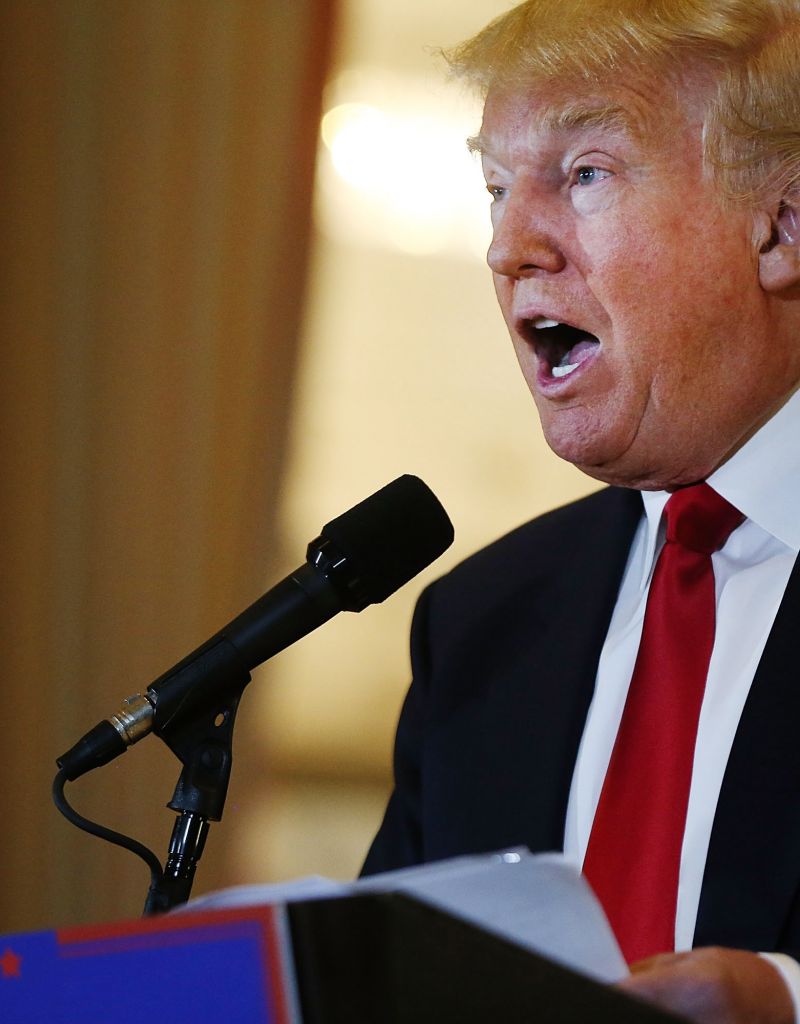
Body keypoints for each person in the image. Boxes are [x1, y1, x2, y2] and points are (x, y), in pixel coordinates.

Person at [362, 1, 800, 1022]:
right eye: (495, 190)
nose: (507, 248)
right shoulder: (479, 624)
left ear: (781, 224)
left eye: (585, 174)